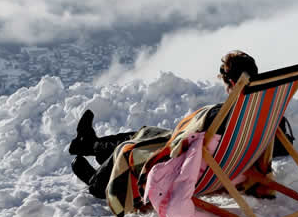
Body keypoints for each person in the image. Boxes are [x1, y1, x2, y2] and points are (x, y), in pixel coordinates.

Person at [68, 50, 275, 204]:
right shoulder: (264, 113)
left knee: (134, 145)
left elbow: (189, 143)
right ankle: (90, 145)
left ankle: (97, 183)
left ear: (229, 81)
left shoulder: (222, 114)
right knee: (144, 134)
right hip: (226, 162)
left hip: (188, 163)